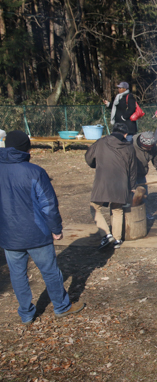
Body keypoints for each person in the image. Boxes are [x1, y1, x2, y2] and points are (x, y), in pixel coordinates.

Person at [0, 131, 85, 324]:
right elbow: (48, 205)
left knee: (17, 274)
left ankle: (26, 314)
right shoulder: (34, 171)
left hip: (8, 235)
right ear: (25, 148)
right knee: (50, 270)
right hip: (36, 233)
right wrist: (56, 229)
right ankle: (61, 306)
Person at [86, 123, 137, 249]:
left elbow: (88, 157)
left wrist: (96, 165)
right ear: (125, 134)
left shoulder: (101, 142)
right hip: (121, 183)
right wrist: (131, 186)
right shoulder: (129, 147)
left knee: (95, 207)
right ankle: (117, 239)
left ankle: (107, 234)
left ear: (112, 131)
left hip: (103, 181)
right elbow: (133, 169)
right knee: (117, 209)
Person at [132, 132, 157, 218]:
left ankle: (145, 214)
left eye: (150, 147)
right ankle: (132, 216)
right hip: (131, 175)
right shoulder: (131, 145)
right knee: (132, 197)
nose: (149, 150)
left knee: (143, 196)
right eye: (147, 148)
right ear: (141, 144)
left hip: (142, 174)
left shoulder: (152, 147)